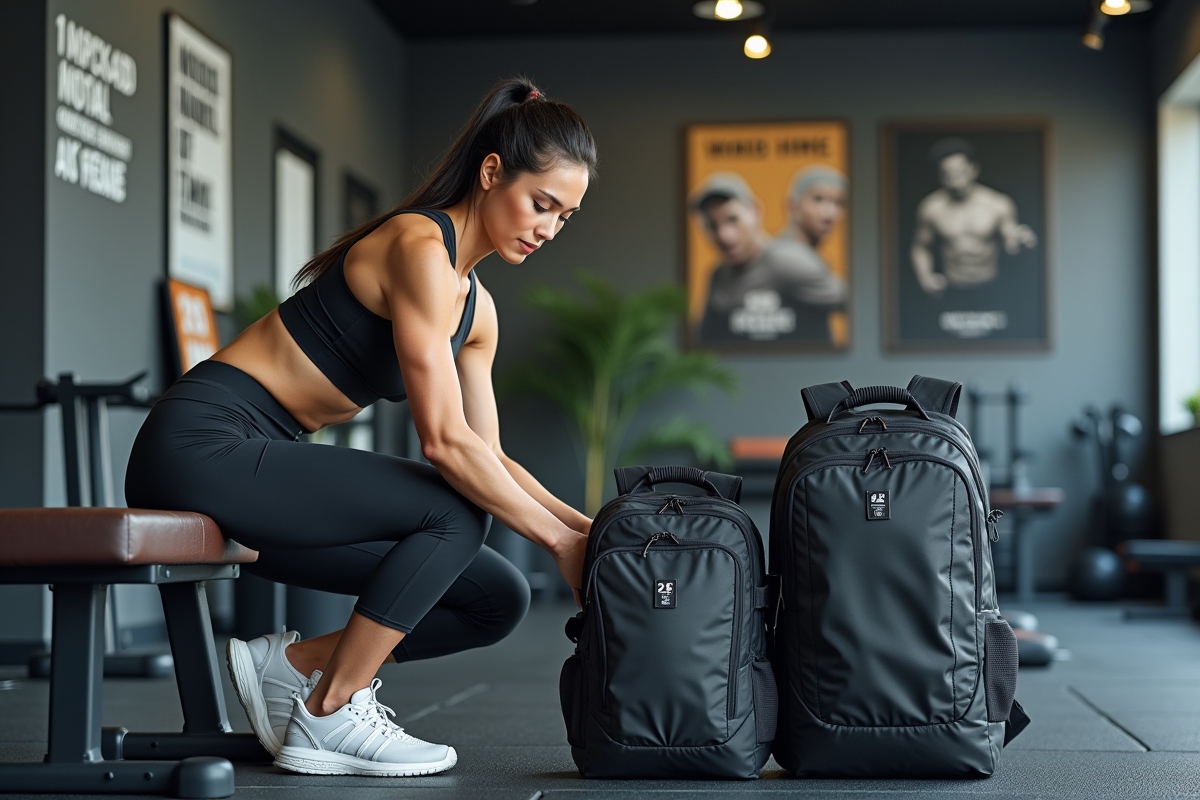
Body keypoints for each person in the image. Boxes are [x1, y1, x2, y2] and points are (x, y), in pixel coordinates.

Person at [125, 78, 596, 778]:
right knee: (454, 511)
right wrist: (558, 540)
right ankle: (328, 710)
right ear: (492, 172)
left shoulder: (480, 312)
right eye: (542, 204)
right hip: (200, 444)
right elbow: (444, 444)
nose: (548, 228)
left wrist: (586, 532)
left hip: (262, 462)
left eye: (565, 216)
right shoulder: (417, 247)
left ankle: (294, 665)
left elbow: (489, 453)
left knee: (497, 595)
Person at [693, 172, 845, 345]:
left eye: (732, 219)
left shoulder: (789, 261)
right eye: (712, 226)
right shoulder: (718, 275)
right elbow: (704, 346)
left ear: (755, 213)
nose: (724, 235)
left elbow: (861, 307)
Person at [911, 137, 1037, 295]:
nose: (956, 180)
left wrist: (1020, 239)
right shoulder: (931, 208)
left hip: (992, 289)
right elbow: (921, 247)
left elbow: (1010, 238)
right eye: (947, 174)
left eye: (960, 172)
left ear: (974, 170)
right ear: (940, 177)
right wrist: (926, 278)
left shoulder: (997, 204)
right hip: (951, 289)